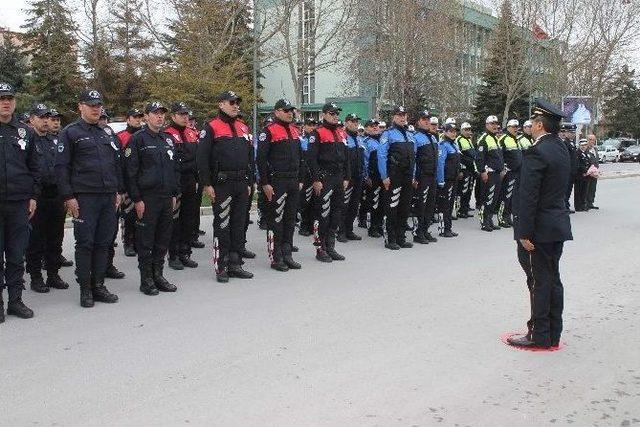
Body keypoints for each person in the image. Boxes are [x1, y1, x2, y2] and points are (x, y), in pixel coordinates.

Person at [509, 99, 573, 349]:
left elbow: (528, 195)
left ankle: (538, 334)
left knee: (539, 281)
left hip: (538, 230)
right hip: (556, 224)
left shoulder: (537, 151)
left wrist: (524, 232)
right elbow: (564, 187)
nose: (530, 127)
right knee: (552, 279)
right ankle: (552, 332)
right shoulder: (561, 148)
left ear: (538, 125)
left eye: (532, 123)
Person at [56, 89, 123, 308]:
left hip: (107, 196)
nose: (96, 108)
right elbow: (62, 167)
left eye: (98, 105)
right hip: (84, 198)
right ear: (81, 107)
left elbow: (115, 165)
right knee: (85, 243)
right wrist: (68, 196)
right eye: (91, 105)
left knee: (104, 242)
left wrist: (117, 191)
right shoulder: (70, 133)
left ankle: (99, 285)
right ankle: (85, 289)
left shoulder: (106, 133)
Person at [197, 91, 254, 282]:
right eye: (232, 102)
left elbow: (249, 157)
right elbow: (202, 158)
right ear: (221, 104)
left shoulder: (243, 127)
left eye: (238, 102)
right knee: (222, 225)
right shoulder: (211, 127)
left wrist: (249, 181)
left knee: (239, 224)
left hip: (240, 183)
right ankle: (221, 265)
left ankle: (235, 263)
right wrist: (207, 183)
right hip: (222, 184)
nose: (236, 105)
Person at [124, 101, 179, 295]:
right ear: (146, 117)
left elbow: (174, 169)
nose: (160, 117)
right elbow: (130, 173)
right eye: (155, 113)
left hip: (166, 197)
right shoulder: (137, 140)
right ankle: (146, 279)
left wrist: (174, 193)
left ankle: (158, 275)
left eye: (162, 113)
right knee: (146, 240)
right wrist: (136, 199)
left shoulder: (168, 139)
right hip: (147, 198)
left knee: (162, 239)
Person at [0, 83, 40, 322]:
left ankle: (16, 300)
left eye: (10, 98)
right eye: (2, 98)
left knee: (16, 255)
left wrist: (33, 196)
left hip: (18, 203)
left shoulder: (25, 132)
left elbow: (35, 168)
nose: (6, 102)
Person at [25, 104, 69, 293]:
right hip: (37, 197)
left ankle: (53, 274)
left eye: (47, 117)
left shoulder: (55, 140)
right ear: (32, 119)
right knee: (35, 240)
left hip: (56, 195)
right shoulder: (26, 140)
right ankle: (36, 277)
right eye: (41, 117)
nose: (45, 121)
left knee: (55, 238)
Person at [256, 99, 304, 271]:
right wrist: (265, 183)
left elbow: (300, 157)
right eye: (286, 110)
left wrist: (300, 179)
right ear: (276, 112)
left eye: (291, 110)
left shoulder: (295, 130)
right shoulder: (268, 131)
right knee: (276, 220)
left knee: (290, 219)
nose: (290, 113)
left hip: (293, 181)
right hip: (277, 181)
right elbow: (260, 159)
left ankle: (287, 253)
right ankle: (276, 257)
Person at [306, 103, 350, 262]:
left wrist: (347, 177)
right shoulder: (317, 133)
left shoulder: (341, 133)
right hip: (324, 179)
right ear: (324, 114)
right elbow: (311, 159)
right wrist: (316, 179)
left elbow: (347, 158)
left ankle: (331, 247)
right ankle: (320, 249)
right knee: (322, 214)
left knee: (336, 213)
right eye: (332, 113)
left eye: (337, 113)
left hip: (339, 178)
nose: (335, 116)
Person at [165, 102, 200, 270]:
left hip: (191, 181)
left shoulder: (192, 134)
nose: (185, 117)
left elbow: (198, 158)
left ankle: (185, 252)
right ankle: (174, 255)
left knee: (189, 218)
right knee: (175, 220)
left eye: (187, 114)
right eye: (181, 114)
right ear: (173, 116)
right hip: (176, 181)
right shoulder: (167, 134)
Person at [377, 105, 416, 250]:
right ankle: (390, 238)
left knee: (404, 208)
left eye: (404, 115)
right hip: (394, 176)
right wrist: (384, 176)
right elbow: (381, 156)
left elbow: (414, 157)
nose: (402, 117)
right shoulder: (388, 134)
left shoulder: (410, 134)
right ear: (394, 117)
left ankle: (401, 238)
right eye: (399, 115)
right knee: (392, 207)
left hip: (407, 177)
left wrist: (412, 175)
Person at [116, 108, 144, 257]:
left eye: (140, 117)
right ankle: (128, 243)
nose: (138, 120)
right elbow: (118, 162)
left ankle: (139, 242)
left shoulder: (144, 136)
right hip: (127, 182)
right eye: (135, 117)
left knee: (141, 214)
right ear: (128, 119)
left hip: (142, 181)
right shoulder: (121, 136)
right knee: (128, 214)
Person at [338, 113, 365, 242]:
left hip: (358, 177)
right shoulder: (343, 137)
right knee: (344, 205)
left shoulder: (359, 138)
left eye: (356, 121)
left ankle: (349, 230)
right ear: (347, 122)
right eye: (352, 121)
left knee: (354, 205)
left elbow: (363, 158)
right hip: (347, 178)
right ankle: (341, 231)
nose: (355, 124)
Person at [412, 111, 439, 244]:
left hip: (432, 176)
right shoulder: (415, 137)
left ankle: (425, 230)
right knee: (420, 206)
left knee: (430, 205)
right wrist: (414, 177)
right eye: (424, 119)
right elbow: (413, 159)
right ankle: (418, 233)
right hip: (421, 177)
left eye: (428, 119)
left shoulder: (433, 137)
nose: (427, 121)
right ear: (418, 121)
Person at [476, 115, 504, 232]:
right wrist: (482, 171)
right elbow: (480, 158)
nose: (494, 126)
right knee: (487, 198)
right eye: (492, 124)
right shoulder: (484, 139)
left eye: (496, 123)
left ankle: (490, 220)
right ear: (487, 125)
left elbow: (499, 157)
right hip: (489, 174)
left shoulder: (495, 138)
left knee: (494, 198)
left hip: (497, 174)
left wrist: (502, 169)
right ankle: (484, 221)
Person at [436, 123, 461, 237]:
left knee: (450, 204)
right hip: (446, 179)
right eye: (450, 131)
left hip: (454, 179)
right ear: (445, 132)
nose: (453, 133)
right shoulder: (443, 145)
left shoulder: (454, 145)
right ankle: (443, 229)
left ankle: (448, 227)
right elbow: (440, 163)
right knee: (444, 205)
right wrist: (440, 180)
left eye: (454, 131)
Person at [496, 119, 522, 228]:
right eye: (513, 127)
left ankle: (508, 217)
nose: (516, 128)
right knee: (505, 196)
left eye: (517, 127)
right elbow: (499, 156)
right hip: (508, 172)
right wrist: (503, 169)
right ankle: (501, 218)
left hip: (517, 172)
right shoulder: (503, 139)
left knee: (512, 197)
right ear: (508, 127)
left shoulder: (516, 139)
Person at [361, 119, 384, 238]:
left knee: (382, 202)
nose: (375, 127)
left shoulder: (382, 140)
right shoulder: (365, 142)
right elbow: (364, 161)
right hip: (373, 176)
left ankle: (379, 225)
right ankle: (372, 227)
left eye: (376, 125)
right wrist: (367, 176)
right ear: (366, 129)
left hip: (383, 176)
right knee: (373, 202)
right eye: (371, 126)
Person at [298, 118, 317, 237]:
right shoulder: (300, 141)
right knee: (305, 201)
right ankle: (304, 226)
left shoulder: (316, 140)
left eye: (314, 125)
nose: (312, 127)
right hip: (305, 175)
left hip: (315, 175)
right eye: (309, 125)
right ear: (304, 127)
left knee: (315, 201)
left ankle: (312, 225)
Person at [455, 122, 477, 218]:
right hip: (464, 170)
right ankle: (459, 210)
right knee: (462, 190)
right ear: (462, 130)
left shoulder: (469, 140)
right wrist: (460, 170)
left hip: (471, 170)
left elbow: (472, 154)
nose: (468, 131)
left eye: (469, 129)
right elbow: (459, 156)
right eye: (466, 130)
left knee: (469, 190)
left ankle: (465, 208)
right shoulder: (459, 140)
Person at [560, 123, 578, 213]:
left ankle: (566, 205)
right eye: (571, 132)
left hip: (572, 171)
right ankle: (564, 207)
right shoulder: (565, 143)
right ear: (566, 133)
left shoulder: (572, 143)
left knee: (569, 189)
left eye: (574, 132)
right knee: (565, 190)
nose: (573, 134)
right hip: (567, 171)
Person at [574, 139, 591, 211]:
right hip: (580, 175)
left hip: (586, 175)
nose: (583, 147)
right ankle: (578, 206)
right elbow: (578, 164)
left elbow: (589, 162)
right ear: (579, 146)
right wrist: (585, 171)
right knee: (578, 191)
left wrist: (590, 170)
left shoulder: (587, 153)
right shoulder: (577, 153)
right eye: (582, 145)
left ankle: (583, 205)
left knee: (584, 191)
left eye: (585, 145)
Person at [585, 134, 599, 210]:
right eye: (590, 139)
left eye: (593, 140)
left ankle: (590, 202)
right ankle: (585, 203)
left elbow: (596, 160)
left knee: (593, 188)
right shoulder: (585, 149)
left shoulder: (595, 149)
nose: (592, 141)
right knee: (587, 188)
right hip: (588, 172)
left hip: (595, 172)